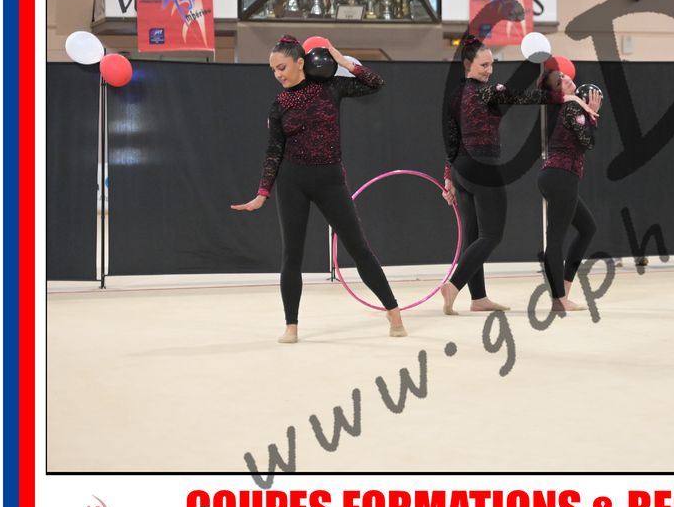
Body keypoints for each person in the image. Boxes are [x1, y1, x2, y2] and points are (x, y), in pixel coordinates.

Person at [231, 36, 406, 342]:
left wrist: (341, 60)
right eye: (273, 70)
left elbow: (376, 83)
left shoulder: (330, 87)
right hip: (292, 182)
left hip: (329, 180)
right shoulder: (279, 104)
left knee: (359, 249)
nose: (278, 75)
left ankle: (393, 311)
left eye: (282, 67)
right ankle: (291, 325)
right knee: (292, 256)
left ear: (300, 62)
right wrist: (262, 193)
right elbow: (273, 152)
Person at [439, 36, 561, 314]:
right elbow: (525, 97)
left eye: (492, 64)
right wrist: (559, 95)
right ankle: (454, 285)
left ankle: (478, 298)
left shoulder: (455, 95)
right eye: (484, 65)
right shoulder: (488, 91)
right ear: (467, 65)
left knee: (473, 237)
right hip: (483, 167)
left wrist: (449, 176)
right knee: (491, 235)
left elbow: (450, 138)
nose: (490, 70)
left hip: (462, 170)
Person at [537, 69, 603, 311]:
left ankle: (563, 289)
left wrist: (587, 111)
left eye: (564, 75)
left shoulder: (565, 105)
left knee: (587, 228)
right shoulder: (572, 107)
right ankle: (559, 299)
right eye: (560, 80)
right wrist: (592, 115)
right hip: (561, 176)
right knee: (555, 238)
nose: (566, 78)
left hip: (555, 176)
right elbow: (588, 142)